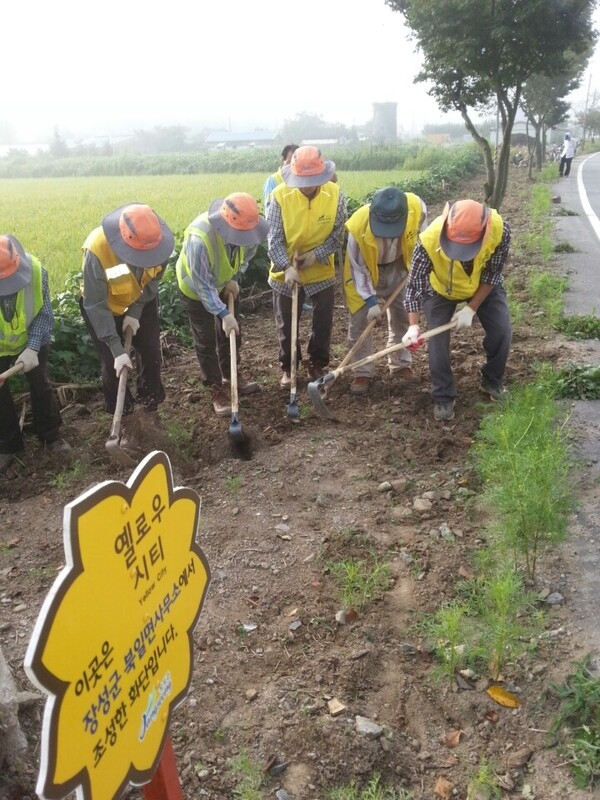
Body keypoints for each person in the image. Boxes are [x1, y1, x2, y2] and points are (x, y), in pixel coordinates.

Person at [402, 199, 512, 422]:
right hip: (441, 289)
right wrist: (413, 325)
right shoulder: (428, 241)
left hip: (482, 284)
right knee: (437, 338)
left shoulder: (500, 230)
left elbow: (493, 273)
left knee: (502, 331)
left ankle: (491, 380)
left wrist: (471, 309)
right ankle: (443, 395)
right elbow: (414, 286)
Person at [176, 192, 268, 417]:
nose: (246, 237)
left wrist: (235, 279)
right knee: (206, 340)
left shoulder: (249, 232)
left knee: (233, 332)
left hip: (224, 283)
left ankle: (231, 376)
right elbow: (202, 285)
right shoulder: (200, 238)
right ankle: (216, 389)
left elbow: (246, 257)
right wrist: (223, 313)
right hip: (196, 291)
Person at [80, 203, 174, 419]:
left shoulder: (158, 240)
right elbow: (95, 305)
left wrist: (135, 309)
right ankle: (124, 415)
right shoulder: (97, 250)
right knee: (114, 365)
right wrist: (116, 349)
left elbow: (155, 277)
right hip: (104, 308)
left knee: (150, 354)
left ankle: (150, 407)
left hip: (141, 297)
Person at [267, 145, 348, 386]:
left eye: (312, 180)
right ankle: (289, 367)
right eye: (302, 180)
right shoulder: (279, 196)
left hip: (320, 266)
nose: (307, 185)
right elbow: (273, 239)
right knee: (286, 321)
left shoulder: (335, 195)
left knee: (323, 319)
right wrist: (286, 266)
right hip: (286, 268)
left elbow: (337, 234)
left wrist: (316, 255)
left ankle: (317, 363)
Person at [343, 186, 427, 396]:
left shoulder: (416, 207)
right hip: (365, 272)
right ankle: (361, 371)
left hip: (399, 267)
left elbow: (424, 239)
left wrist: (417, 266)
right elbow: (358, 269)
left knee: (402, 315)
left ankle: (400, 365)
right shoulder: (358, 226)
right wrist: (371, 302)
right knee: (361, 321)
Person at [0, 235, 70, 473]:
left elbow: (43, 314)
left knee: (41, 384)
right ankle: (8, 446)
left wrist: (32, 348)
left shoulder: (37, 271)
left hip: (31, 337)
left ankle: (51, 436)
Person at [263, 144, 299, 215]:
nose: (292, 166)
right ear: (283, 160)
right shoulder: (272, 180)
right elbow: (269, 209)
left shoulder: (303, 180)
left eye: (296, 162)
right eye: (289, 162)